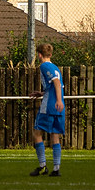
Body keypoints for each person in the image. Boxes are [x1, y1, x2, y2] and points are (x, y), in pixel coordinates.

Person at [29, 43, 65, 177]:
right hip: (58, 106)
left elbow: (55, 82)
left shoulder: (44, 66)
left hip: (50, 105)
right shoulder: (55, 67)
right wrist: (42, 93)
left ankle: (43, 166)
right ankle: (56, 169)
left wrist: (57, 100)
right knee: (55, 135)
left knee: (37, 133)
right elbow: (57, 85)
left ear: (39, 55)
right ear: (50, 54)